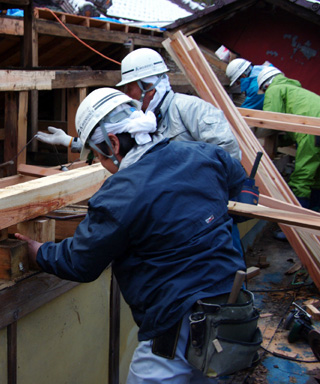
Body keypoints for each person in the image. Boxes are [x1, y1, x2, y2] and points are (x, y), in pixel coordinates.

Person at [18, 87, 260, 383]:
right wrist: (242, 203)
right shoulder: (202, 154)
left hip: (176, 323)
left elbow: (81, 262)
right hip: (231, 305)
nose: (104, 167)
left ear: (114, 144)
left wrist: (39, 251)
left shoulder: (120, 195)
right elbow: (242, 180)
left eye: (98, 157)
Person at [37, 48, 245, 256]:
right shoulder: (141, 117)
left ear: (149, 85)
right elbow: (119, 148)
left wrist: (187, 190)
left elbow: (228, 158)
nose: (127, 95)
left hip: (206, 217)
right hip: (166, 221)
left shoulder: (191, 109)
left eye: (130, 88)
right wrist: (73, 142)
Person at [258, 66, 320, 217]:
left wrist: (257, 135)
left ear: (266, 85)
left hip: (312, 131)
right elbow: (291, 131)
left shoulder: (275, 89)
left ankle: (297, 226)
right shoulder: (296, 91)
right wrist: (281, 141)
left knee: (302, 176)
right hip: (315, 129)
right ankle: (314, 218)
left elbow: (270, 119)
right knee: (317, 176)